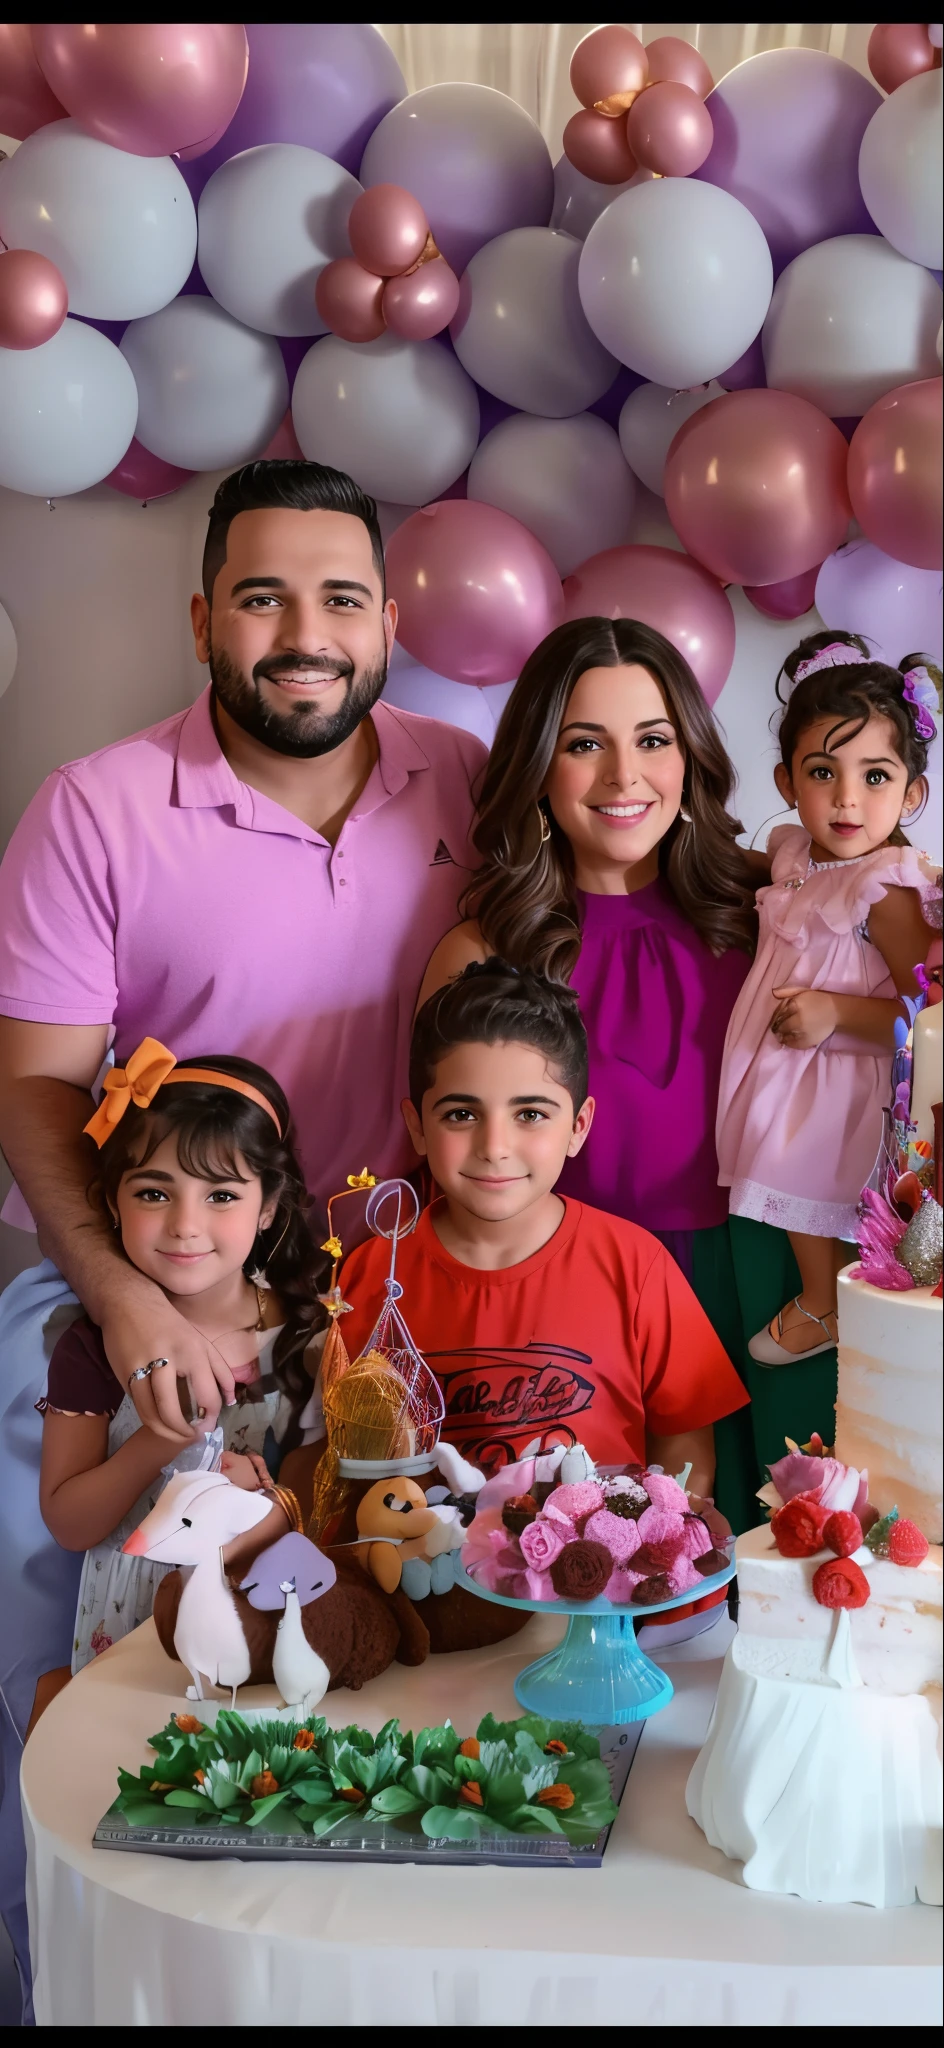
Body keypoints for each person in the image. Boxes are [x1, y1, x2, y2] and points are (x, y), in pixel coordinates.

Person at [0, 457, 485, 2003]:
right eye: (264, 597)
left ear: (391, 621)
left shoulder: (466, 781)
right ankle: (54, 1983)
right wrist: (137, 1314)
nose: (305, 632)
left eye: (341, 598)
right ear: (206, 616)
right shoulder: (95, 806)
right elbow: (32, 1094)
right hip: (127, 1308)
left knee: (357, 1679)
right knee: (73, 1706)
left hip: (362, 1327)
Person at [416, 618, 759, 1526]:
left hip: (749, 1282)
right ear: (537, 767)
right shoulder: (479, 950)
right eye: (583, 745)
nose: (622, 778)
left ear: (689, 758)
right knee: (566, 1568)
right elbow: (444, 1152)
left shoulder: (767, 916)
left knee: (749, 1574)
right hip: (558, 1299)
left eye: (652, 741)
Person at [339, 959, 750, 1495]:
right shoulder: (370, 1275)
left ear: (578, 1127)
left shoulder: (636, 1266)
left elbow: (685, 1451)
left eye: (530, 1114)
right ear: (417, 1126)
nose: (494, 1147)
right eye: (461, 1114)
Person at [39, 1045, 325, 1686]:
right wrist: (161, 1438)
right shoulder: (93, 1348)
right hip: (124, 1639)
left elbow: (313, 1497)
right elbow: (69, 1522)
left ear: (270, 1205)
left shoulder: (304, 1336)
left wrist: (257, 1510)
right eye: (153, 1192)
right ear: (111, 1201)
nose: (185, 1225)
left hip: (255, 1621)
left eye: (222, 1195)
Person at [716, 632, 940, 1369]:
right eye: (823, 772)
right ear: (787, 783)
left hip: (840, 1082)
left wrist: (838, 1013)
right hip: (789, 1073)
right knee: (779, 1162)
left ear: (911, 793)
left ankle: (825, 1299)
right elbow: (752, 866)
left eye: (875, 777)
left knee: (804, 1171)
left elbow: (926, 1018)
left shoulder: (889, 886)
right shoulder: (792, 854)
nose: (847, 798)